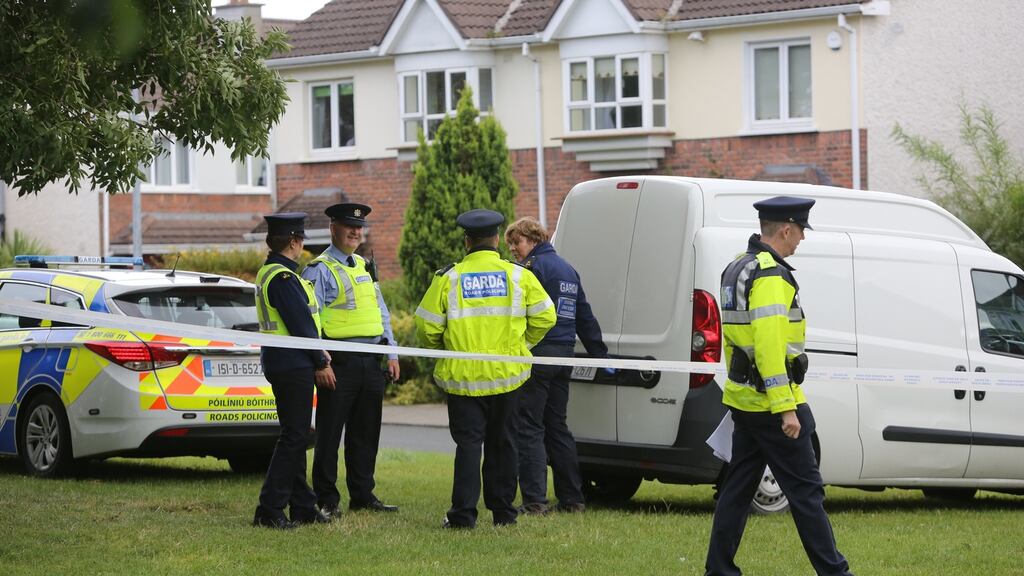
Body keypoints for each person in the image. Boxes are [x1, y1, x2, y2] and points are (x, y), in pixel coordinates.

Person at [705, 197, 853, 576]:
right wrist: (785, 406)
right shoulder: (771, 274)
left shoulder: (737, 266)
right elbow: (769, 348)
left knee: (737, 489)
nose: (802, 239)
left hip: (744, 398)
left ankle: (718, 570)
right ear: (786, 228)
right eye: (801, 231)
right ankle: (836, 573)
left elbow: (733, 342)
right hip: (773, 403)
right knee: (806, 492)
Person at [415, 208, 556, 529]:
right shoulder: (519, 275)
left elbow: (426, 327)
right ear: (496, 239)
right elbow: (546, 316)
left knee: (467, 447)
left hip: (463, 380)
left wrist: (447, 349)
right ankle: (504, 514)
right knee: (504, 444)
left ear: (467, 241)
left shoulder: (448, 278)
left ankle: (463, 515)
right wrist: (521, 345)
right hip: (508, 377)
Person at [504, 217, 609, 515]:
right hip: (564, 355)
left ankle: (535, 501)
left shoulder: (531, 270)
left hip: (538, 355)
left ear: (534, 239)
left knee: (529, 426)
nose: (513, 248)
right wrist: (600, 354)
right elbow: (584, 315)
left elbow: (521, 314)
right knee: (557, 427)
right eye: (511, 243)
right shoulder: (567, 269)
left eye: (517, 242)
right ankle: (572, 499)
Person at [301, 202, 400, 517]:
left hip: (371, 360)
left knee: (366, 432)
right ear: (333, 228)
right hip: (338, 361)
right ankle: (326, 499)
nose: (356, 232)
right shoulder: (319, 269)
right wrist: (320, 362)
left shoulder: (364, 265)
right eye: (349, 226)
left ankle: (363, 494)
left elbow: (380, 312)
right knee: (329, 435)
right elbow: (309, 319)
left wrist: (392, 351)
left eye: (359, 227)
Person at [253, 212, 337, 529]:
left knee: (296, 435)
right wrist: (321, 360)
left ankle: (302, 505)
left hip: (284, 361)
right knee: (294, 438)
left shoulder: (273, 272)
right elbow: (301, 325)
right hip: (293, 363)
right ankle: (269, 509)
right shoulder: (283, 277)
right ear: (294, 241)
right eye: (301, 240)